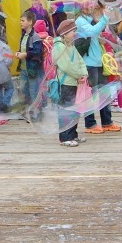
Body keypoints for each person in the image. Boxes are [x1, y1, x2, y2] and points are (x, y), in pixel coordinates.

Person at [74, 0, 121, 134]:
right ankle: (90, 124)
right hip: (88, 63)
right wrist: (105, 17)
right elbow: (93, 31)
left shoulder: (91, 19)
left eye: (91, 5)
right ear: (81, 8)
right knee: (90, 95)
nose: (91, 7)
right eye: (88, 5)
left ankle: (107, 122)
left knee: (104, 93)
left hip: (98, 61)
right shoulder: (80, 21)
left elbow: (98, 34)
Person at [52, 19, 88, 147]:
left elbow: (80, 60)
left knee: (74, 110)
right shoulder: (59, 47)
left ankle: (73, 134)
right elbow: (66, 66)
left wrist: (84, 74)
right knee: (66, 110)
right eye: (73, 31)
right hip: (66, 83)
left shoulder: (71, 45)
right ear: (65, 33)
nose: (75, 33)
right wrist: (79, 75)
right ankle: (65, 137)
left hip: (74, 82)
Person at [14, 10, 43, 119]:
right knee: (23, 90)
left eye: (23, 20)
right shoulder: (23, 35)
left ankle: (37, 114)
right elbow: (23, 49)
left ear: (30, 22)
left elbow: (38, 52)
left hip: (32, 70)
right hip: (23, 69)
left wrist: (25, 54)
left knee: (33, 92)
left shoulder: (35, 36)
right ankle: (28, 112)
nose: (20, 22)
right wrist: (18, 53)